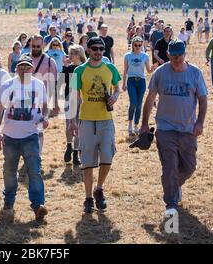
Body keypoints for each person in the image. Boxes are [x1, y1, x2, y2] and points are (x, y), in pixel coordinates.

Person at [140, 39, 208, 219]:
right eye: (173, 56)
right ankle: (170, 204)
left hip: (188, 128)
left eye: (180, 56)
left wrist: (200, 122)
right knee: (169, 167)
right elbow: (149, 99)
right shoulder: (160, 73)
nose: (177, 59)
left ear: (185, 55)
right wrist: (145, 123)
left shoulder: (195, 73)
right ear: (168, 54)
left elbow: (202, 99)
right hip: (165, 128)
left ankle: (174, 184)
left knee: (190, 167)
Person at [0, 55, 49, 221]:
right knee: (9, 171)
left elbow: (44, 105)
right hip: (10, 137)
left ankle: (38, 205)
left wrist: (45, 117)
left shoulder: (38, 85)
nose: (24, 69)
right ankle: (9, 200)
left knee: (35, 171)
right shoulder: (7, 85)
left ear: (32, 69)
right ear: (16, 68)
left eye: (27, 67)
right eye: (21, 67)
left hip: (31, 135)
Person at [69, 37, 121, 213]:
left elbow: (117, 88)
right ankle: (88, 198)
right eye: (95, 48)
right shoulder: (78, 71)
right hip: (87, 120)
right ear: (88, 50)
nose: (98, 51)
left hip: (106, 120)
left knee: (107, 158)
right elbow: (74, 97)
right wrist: (72, 121)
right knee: (88, 162)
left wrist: (115, 97)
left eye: (101, 48)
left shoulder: (110, 68)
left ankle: (99, 189)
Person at [122, 36, 156, 135]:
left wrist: (153, 68)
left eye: (139, 45)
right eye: (136, 45)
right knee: (133, 103)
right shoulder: (128, 56)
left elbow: (148, 71)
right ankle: (130, 124)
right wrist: (124, 84)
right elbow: (125, 71)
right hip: (131, 81)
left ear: (142, 45)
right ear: (132, 45)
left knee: (139, 105)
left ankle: (136, 125)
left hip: (141, 81)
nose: (138, 47)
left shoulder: (145, 56)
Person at [62, 45, 86, 165]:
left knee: (79, 127)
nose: (69, 56)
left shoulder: (85, 68)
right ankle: (68, 146)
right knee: (69, 125)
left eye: (71, 54)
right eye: (69, 54)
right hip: (68, 98)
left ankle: (76, 153)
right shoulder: (68, 68)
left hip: (82, 99)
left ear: (78, 55)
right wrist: (65, 68)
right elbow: (61, 83)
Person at [30, 35, 59, 121]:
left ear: (43, 45)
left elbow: (55, 84)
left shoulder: (50, 62)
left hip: (42, 101)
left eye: (38, 46)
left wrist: (56, 102)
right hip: (25, 99)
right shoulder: (24, 59)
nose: (35, 48)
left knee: (39, 128)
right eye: (33, 46)